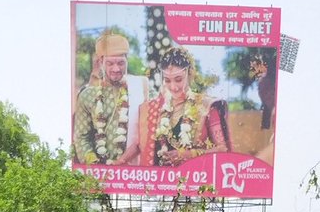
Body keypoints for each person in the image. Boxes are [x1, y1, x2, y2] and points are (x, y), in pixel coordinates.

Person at [139, 48, 230, 167]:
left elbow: (222, 150)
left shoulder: (206, 106)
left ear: (190, 74)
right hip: (161, 181)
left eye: (178, 80)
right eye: (167, 80)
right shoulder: (156, 108)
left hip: (195, 179)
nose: (173, 87)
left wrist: (189, 155)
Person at [73, 32, 148, 165]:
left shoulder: (141, 89)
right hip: (98, 174)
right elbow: (82, 138)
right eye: (110, 63)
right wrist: (95, 164)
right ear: (101, 62)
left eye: (121, 63)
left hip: (134, 172)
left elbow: (150, 131)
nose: (116, 69)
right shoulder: (87, 95)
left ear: (127, 60)